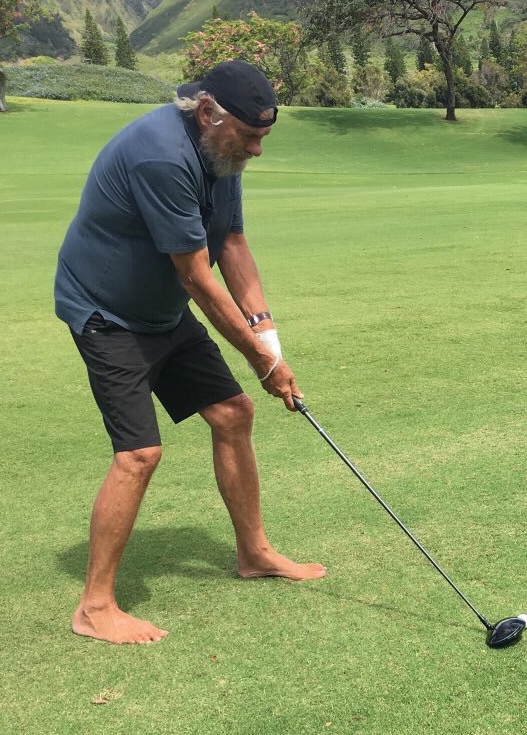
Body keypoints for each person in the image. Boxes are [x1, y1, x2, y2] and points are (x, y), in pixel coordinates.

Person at [55, 60, 325, 645]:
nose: (257, 150)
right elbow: (197, 277)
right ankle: (94, 607)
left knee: (233, 414)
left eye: (263, 137)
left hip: (163, 311)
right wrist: (263, 363)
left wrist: (268, 336)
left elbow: (232, 242)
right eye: (250, 136)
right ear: (207, 112)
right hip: (107, 313)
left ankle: (254, 553)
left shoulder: (221, 153)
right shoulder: (162, 156)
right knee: (139, 453)